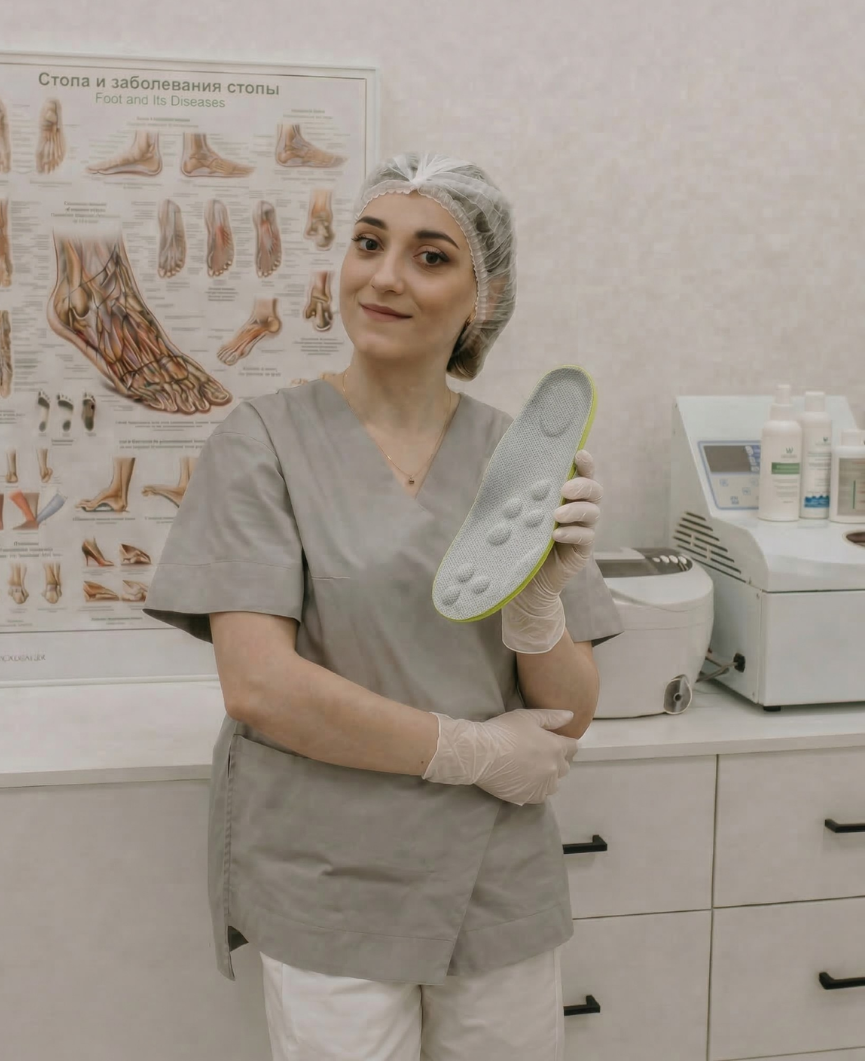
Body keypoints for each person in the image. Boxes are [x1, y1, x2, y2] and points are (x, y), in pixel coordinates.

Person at [142, 152, 624, 1060]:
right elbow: (260, 687)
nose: (385, 277)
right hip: (333, 877)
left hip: (494, 875)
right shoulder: (264, 442)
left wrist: (540, 605)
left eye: (430, 256)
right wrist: (471, 749)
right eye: (369, 244)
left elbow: (568, 715)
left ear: (485, 295)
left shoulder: (520, 455)